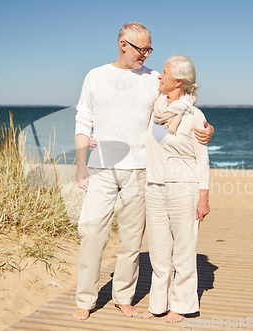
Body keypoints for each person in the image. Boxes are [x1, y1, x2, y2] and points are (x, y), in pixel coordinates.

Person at [73, 22, 213, 321]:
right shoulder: (95, 76)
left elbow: (182, 102)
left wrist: (207, 128)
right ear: (123, 44)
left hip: (140, 170)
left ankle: (123, 297)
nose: (147, 56)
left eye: (150, 49)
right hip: (100, 167)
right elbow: (83, 120)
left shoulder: (154, 79)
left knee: (131, 241)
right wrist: (81, 164)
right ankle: (85, 299)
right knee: (92, 235)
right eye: (142, 49)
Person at [141, 54, 210, 323]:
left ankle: (180, 305)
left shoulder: (194, 115)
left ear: (178, 81)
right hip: (154, 186)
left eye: (165, 72)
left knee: (183, 250)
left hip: (185, 188)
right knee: (158, 250)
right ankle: (158, 304)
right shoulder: (155, 108)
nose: (159, 75)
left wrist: (203, 196)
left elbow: (202, 158)